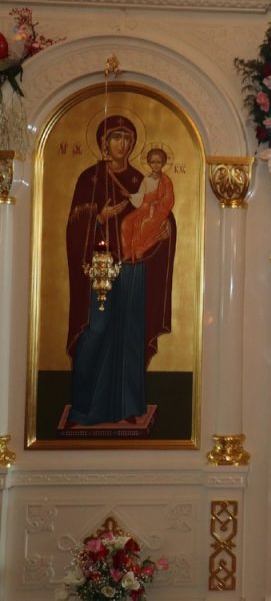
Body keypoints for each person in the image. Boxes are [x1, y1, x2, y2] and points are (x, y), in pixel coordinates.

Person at [66, 115, 176, 425]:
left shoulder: (140, 179)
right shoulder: (90, 179)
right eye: (116, 138)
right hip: (99, 270)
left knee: (130, 332)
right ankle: (83, 408)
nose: (123, 144)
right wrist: (99, 217)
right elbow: (74, 225)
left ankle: (127, 407)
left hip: (131, 266)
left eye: (128, 138)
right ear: (104, 142)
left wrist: (165, 232)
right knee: (96, 329)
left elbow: (157, 212)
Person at [120, 146, 175, 263]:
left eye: (158, 162)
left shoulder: (166, 181)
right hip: (143, 208)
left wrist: (156, 204)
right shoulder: (146, 179)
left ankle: (140, 249)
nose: (155, 165)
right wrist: (129, 195)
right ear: (149, 163)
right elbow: (140, 195)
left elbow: (169, 199)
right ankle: (128, 252)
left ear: (163, 163)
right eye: (153, 162)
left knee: (145, 224)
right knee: (126, 222)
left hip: (158, 211)